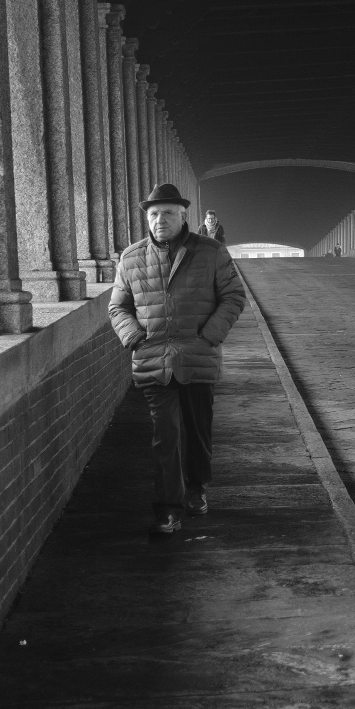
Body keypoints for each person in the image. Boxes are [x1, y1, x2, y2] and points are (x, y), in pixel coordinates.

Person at [110, 184, 247, 535]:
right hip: (154, 359)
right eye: (154, 214)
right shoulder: (131, 258)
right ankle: (169, 508)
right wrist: (134, 338)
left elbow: (233, 296)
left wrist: (209, 336)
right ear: (146, 219)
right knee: (165, 434)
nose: (160, 220)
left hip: (197, 357)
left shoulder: (212, 252)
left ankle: (197, 487)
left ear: (184, 216)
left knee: (198, 431)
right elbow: (118, 307)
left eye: (168, 213)